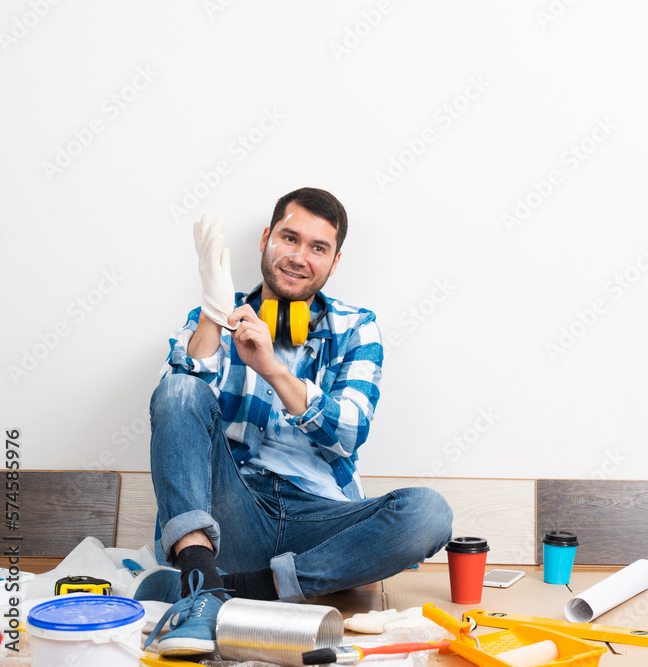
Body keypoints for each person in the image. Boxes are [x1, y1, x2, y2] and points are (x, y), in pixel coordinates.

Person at [140, 187, 453, 657]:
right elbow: (174, 406)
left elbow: (348, 432)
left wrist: (273, 369)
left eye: (317, 247)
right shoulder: (217, 313)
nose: (299, 257)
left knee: (429, 513)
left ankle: (224, 590)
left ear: (334, 261)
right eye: (289, 238)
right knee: (179, 390)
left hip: (322, 519)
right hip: (236, 515)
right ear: (267, 238)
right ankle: (205, 576)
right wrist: (212, 311)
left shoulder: (356, 327)